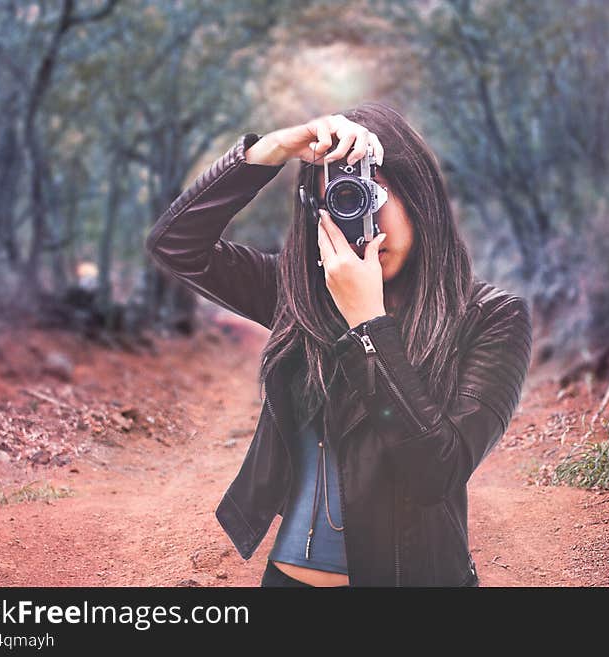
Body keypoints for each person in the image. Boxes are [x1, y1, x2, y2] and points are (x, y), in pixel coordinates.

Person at [145, 101, 532, 587]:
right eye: (342, 200)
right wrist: (271, 150)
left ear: (419, 195)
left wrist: (368, 323)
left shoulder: (489, 317)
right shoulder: (302, 294)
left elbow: (438, 471)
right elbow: (174, 245)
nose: (362, 218)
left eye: (373, 194)